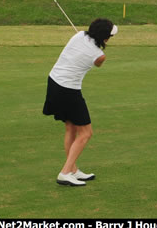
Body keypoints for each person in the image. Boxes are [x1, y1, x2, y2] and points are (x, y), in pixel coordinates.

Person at [43, 18, 117, 186]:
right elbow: (98, 64)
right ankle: (65, 172)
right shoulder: (100, 56)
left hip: (54, 82)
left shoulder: (79, 35)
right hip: (68, 90)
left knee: (71, 128)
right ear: (105, 38)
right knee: (86, 133)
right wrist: (95, 48)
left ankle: (73, 169)